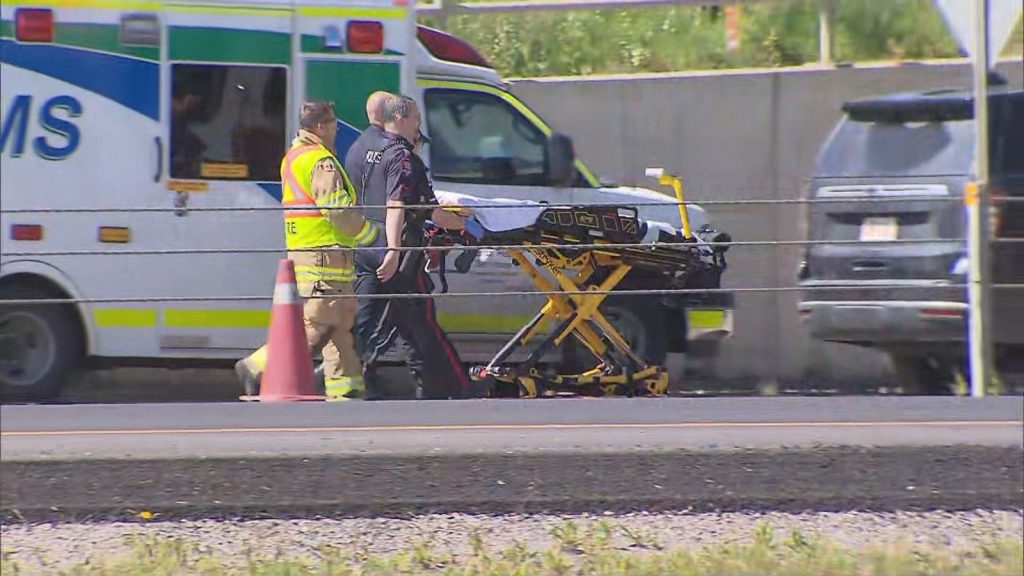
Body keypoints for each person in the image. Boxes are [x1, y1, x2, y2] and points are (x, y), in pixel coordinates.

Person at [236, 101, 377, 401]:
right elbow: (336, 209)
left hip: (312, 252)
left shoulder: (294, 157)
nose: (337, 130)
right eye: (335, 125)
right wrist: (369, 234)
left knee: (339, 323)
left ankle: (347, 387)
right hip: (323, 253)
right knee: (320, 321)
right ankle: (255, 365)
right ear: (321, 127)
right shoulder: (319, 161)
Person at [352, 94, 472, 400]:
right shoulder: (403, 157)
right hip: (398, 253)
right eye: (416, 118)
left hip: (364, 245)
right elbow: (401, 204)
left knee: (373, 321)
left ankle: (356, 378)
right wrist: (468, 224)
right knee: (420, 320)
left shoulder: (364, 147)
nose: (419, 124)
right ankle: (451, 386)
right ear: (401, 119)